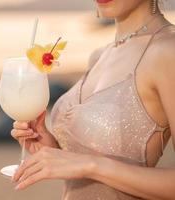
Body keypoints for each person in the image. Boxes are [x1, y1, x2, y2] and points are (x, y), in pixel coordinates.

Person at [11, 0, 175, 199]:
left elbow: (90, 166)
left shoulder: (167, 51)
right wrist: (49, 148)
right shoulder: (99, 56)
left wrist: (91, 166)